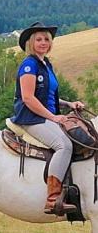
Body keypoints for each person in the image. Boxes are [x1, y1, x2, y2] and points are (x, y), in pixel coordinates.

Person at [11, 21, 85, 214]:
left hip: (45, 116)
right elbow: (28, 98)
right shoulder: (29, 65)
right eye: (39, 39)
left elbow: (46, 96)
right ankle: (52, 198)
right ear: (30, 43)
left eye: (46, 39)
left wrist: (68, 104)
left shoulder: (45, 64)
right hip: (31, 118)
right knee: (64, 145)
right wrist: (54, 117)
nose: (43, 42)